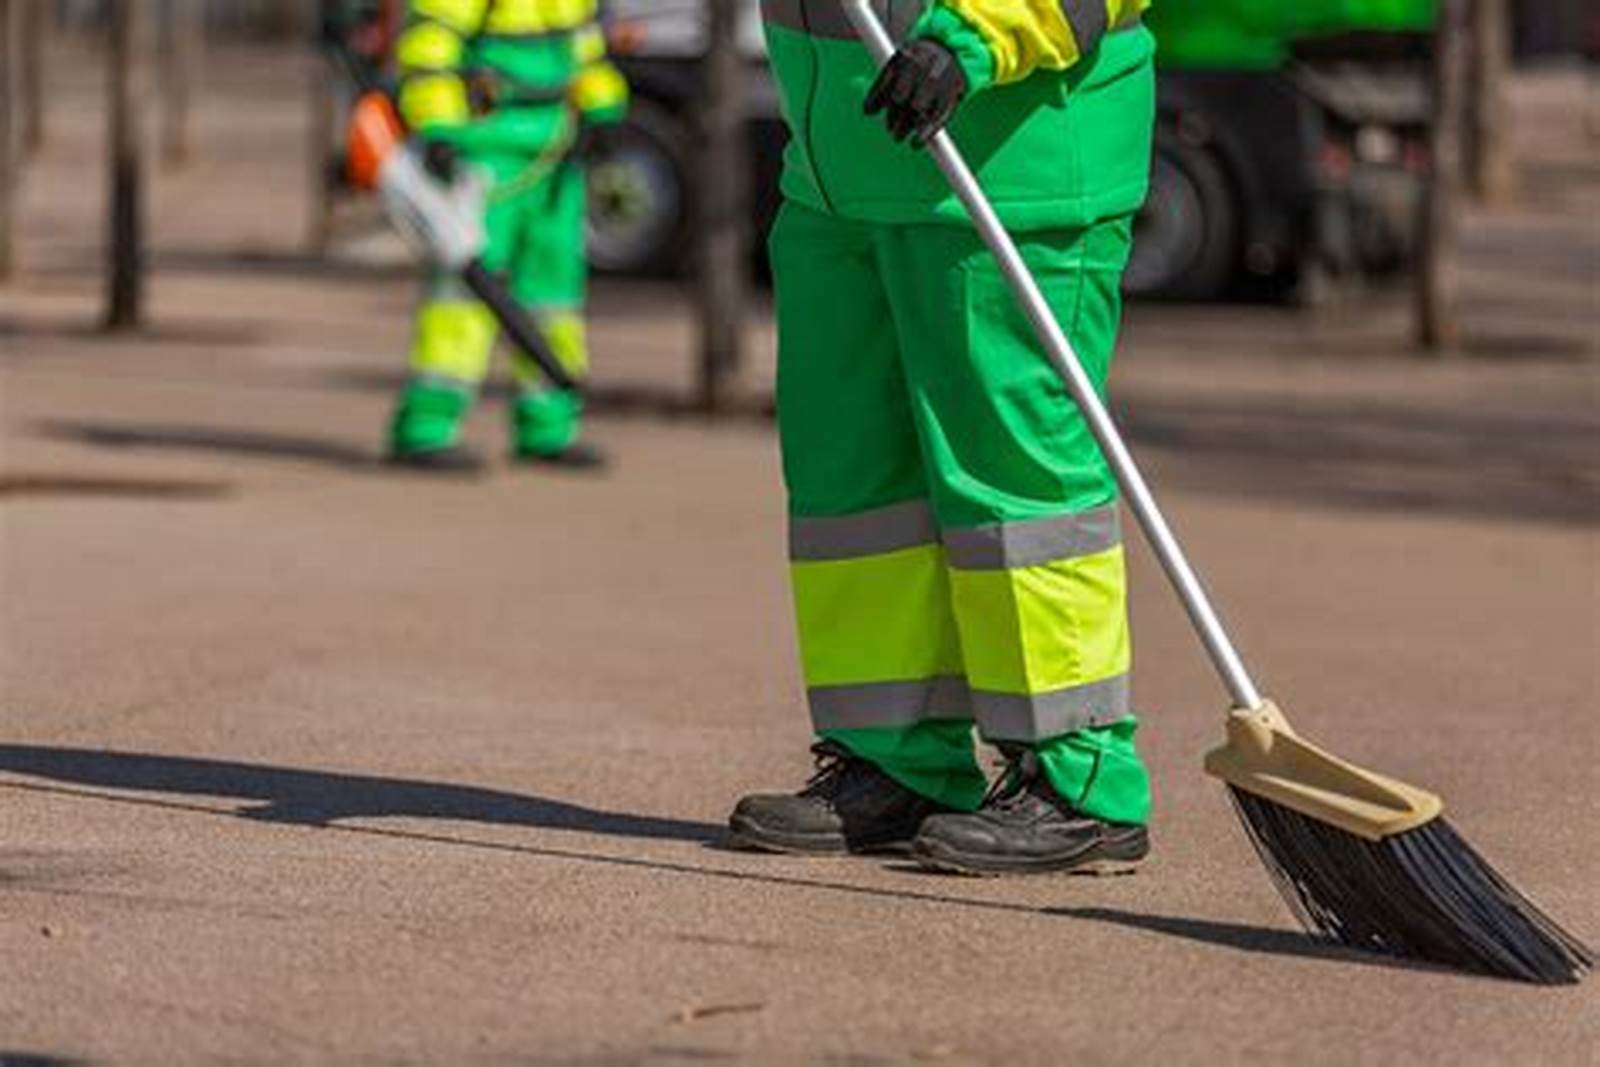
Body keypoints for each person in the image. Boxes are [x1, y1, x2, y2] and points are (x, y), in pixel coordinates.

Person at [729, 0, 1157, 874]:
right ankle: (896, 757)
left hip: (1005, 159)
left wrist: (973, 36)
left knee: (1017, 487)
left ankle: (1083, 778)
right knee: (856, 492)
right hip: (840, 167)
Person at [387, 0, 628, 468]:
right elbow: (428, 48)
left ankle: (549, 425)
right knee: (466, 291)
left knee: (553, 295)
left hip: (553, 151)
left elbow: (584, 47)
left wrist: (602, 109)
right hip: (485, 153)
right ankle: (426, 428)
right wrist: (438, 128)